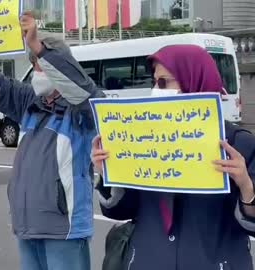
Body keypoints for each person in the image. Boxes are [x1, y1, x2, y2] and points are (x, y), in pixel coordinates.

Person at [0, 11, 105, 270]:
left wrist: (38, 46)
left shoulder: (83, 109)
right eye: (34, 63)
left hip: (64, 229)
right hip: (27, 225)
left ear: (62, 67)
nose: (37, 70)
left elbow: (83, 91)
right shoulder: (28, 102)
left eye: (42, 63)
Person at [91, 44, 255, 270]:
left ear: (192, 79)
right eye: (154, 82)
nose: (156, 90)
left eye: (164, 82)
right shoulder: (142, 136)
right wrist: (107, 172)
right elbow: (120, 210)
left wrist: (246, 186)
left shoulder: (239, 143)